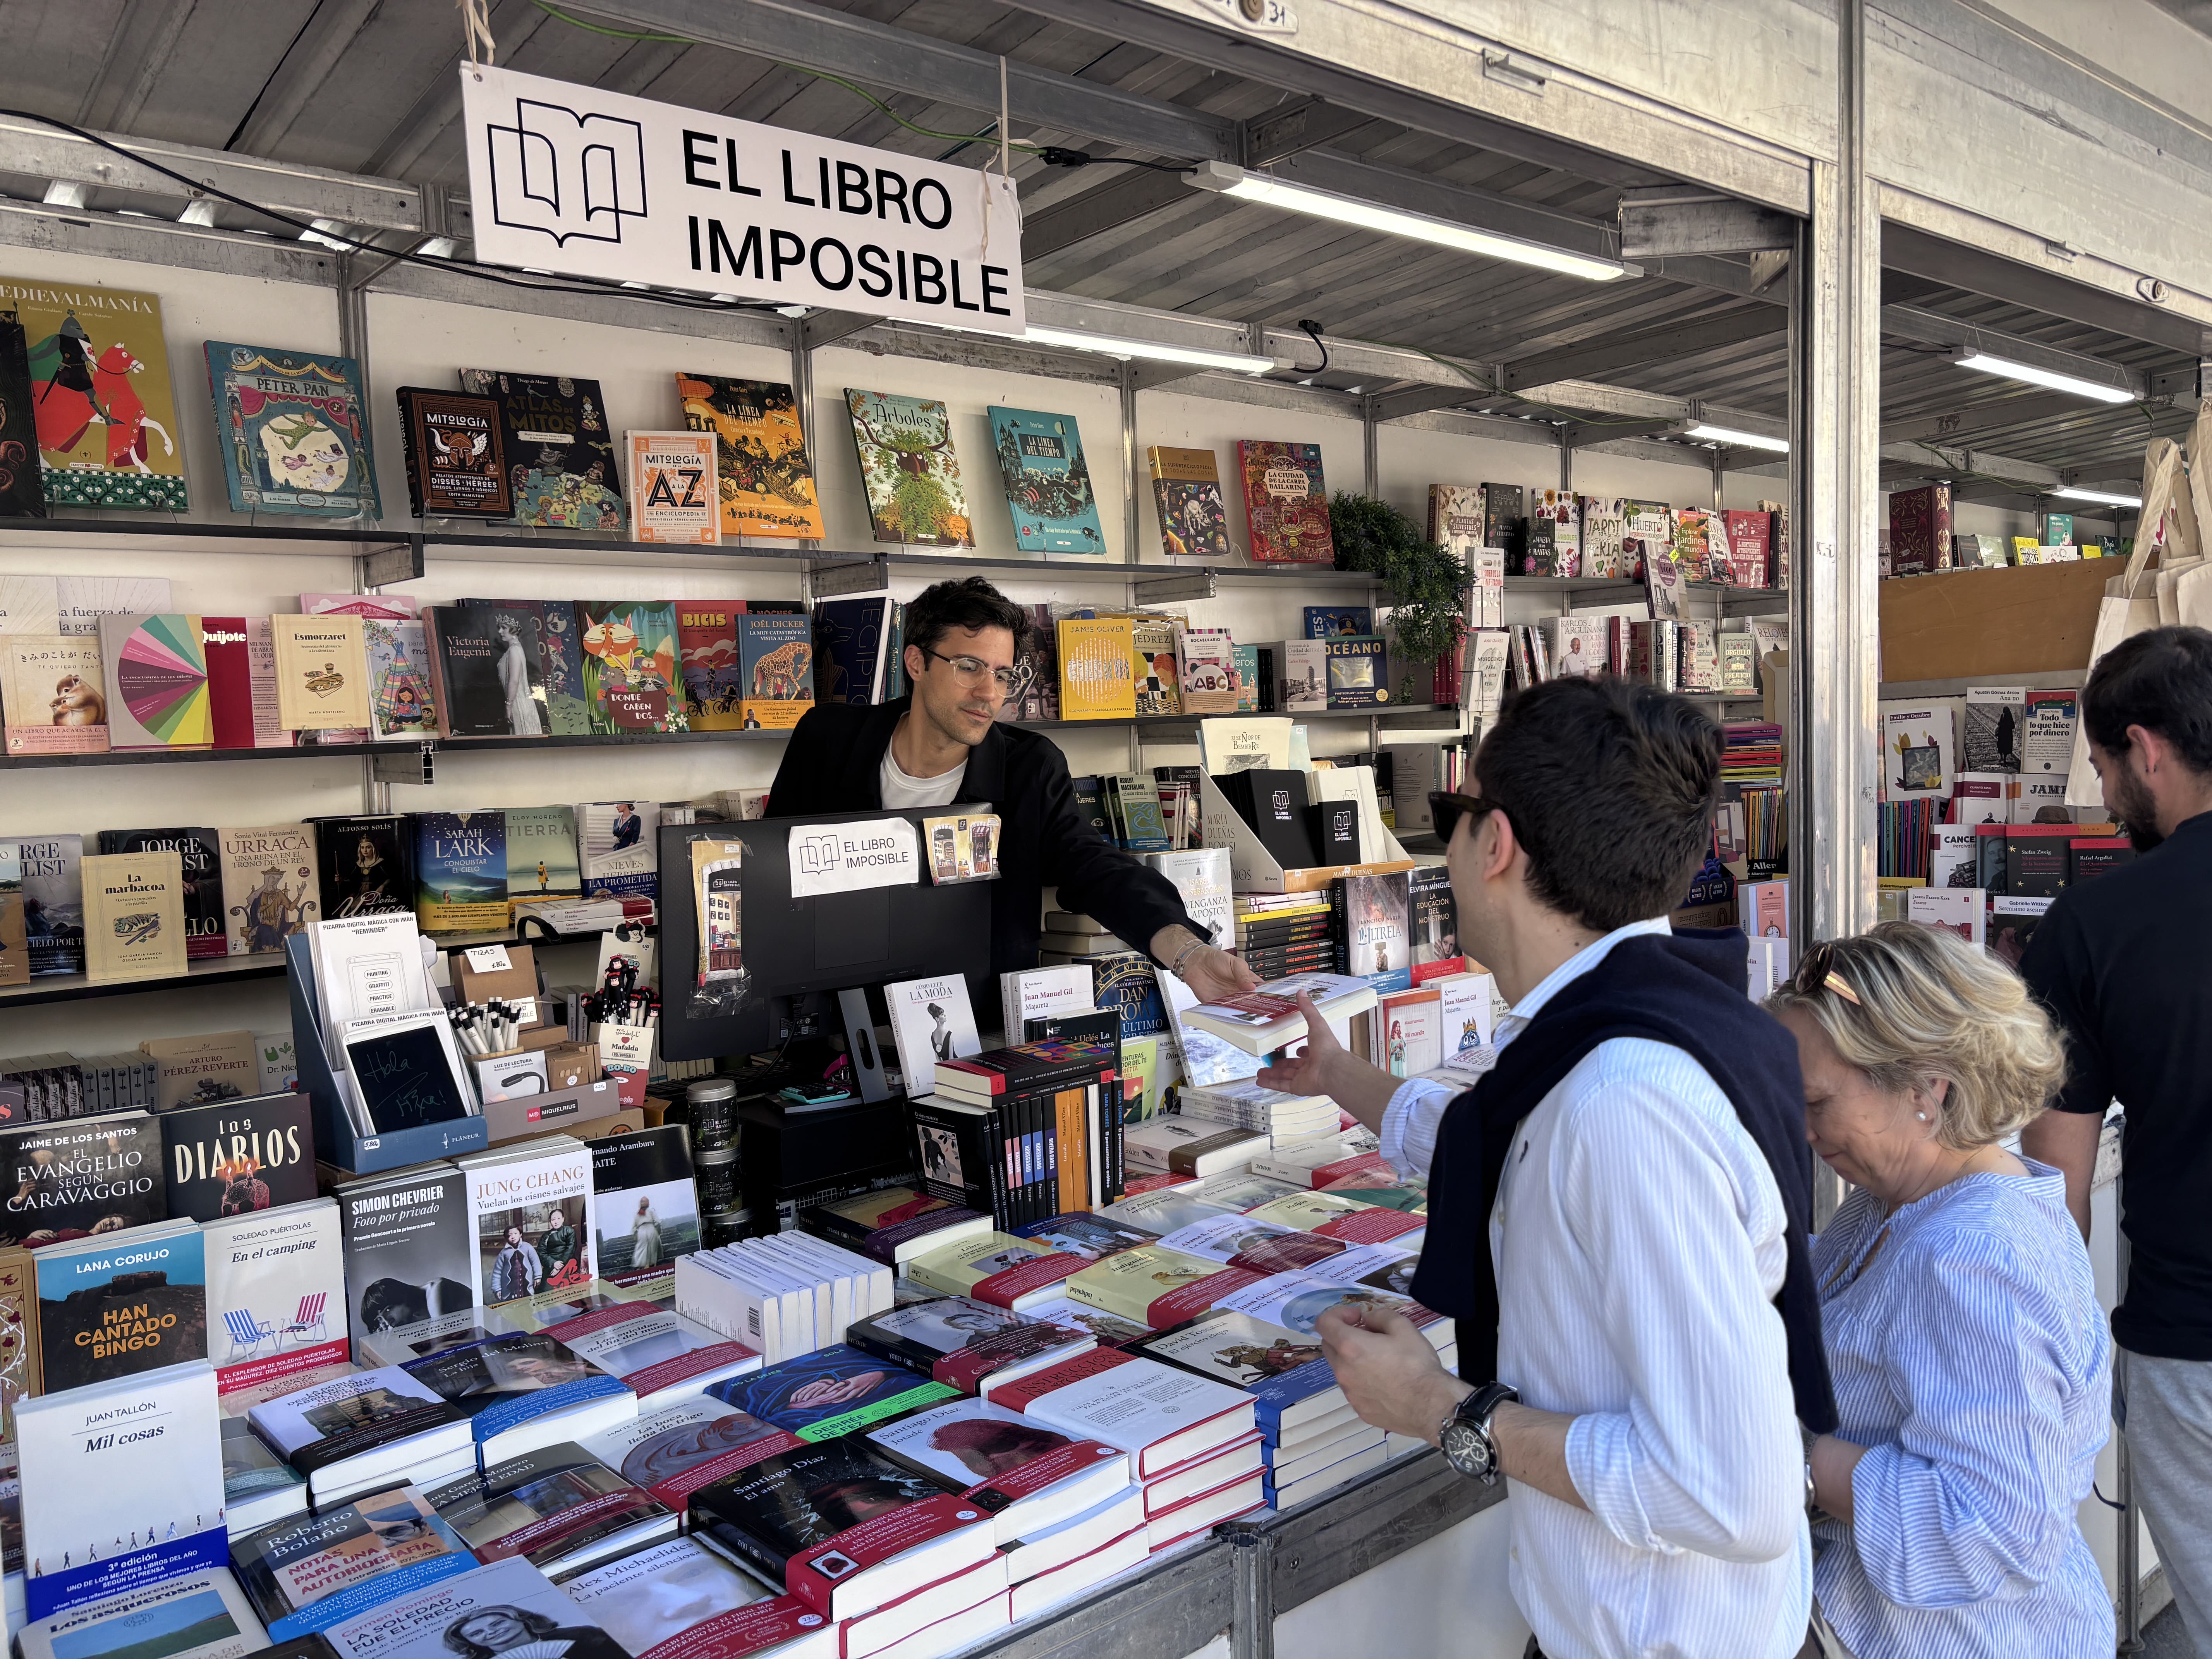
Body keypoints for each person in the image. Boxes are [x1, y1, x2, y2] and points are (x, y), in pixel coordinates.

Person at [1258, 675, 1827, 1659]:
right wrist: (1342, 1074)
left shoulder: (1623, 1102)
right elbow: (1514, 1149)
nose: (1446, 842)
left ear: (1498, 845)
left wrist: (1440, 1410)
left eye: (1451, 812)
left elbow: (1737, 1494)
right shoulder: (1638, 1021)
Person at [1770, 923, 2109, 1659]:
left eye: (1817, 1101)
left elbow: (1990, 1525)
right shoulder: (1898, 1200)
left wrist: (1789, 1466)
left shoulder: (1972, 1256)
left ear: (1929, 1089)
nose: (1801, 1129)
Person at [766, 577, 1257, 997]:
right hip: (833, 1021)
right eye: (969, 667)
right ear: (916, 663)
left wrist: (1188, 953)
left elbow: (1093, 866)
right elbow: (766, 871)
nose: (989, 693)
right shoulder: (828, 742)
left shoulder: (1028, 768)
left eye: (1003, 675)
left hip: (975, 1027)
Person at [2018, 624, 2212, 1652]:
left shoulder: (2092, 928)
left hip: (2194, 1350)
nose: (2100, 798)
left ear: (2145, 749)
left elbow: (2057, 1183)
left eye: (2099, 768)